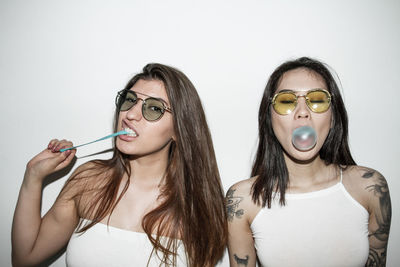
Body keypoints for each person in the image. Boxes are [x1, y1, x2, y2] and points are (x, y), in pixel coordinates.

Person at [12, 63, 227, 267]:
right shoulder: (88, 180)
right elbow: (25, 257)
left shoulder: (195, 206)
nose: (130, 114)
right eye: (129, 100)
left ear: (179, 131)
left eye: (153, 108)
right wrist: (33, 178)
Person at [226, 57, 391, 267]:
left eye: (317, 100)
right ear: (270, 119)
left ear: (333, 117)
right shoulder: (243, 200)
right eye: (286, 101)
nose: (302, 112)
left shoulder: (371, 187)